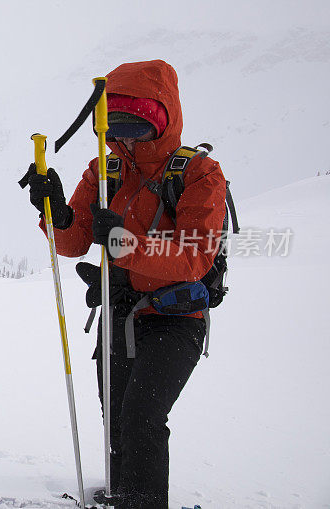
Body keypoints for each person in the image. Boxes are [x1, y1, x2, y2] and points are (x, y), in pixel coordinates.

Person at [23, 60, 227, 508]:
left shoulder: (197, 174)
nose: (128, 140)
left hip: (176, 318)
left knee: (142, 416)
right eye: (118, 128)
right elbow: (74, 242)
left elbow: (194, 257)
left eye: (139, 128)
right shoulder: (105, 170)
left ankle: (143, 501)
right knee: (115, 417)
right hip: (119, 313)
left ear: (164, 120)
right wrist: (53, 211)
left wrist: (122, 243)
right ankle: (125, 494)